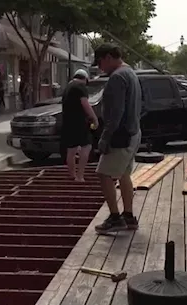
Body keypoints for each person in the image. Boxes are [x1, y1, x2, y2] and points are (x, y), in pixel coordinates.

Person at [91, 43, 142, 234]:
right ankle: (128, 216)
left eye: (100, 62)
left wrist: (105, 138)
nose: (99, 67)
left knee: (103, 174)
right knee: (123, 174)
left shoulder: (117, 77)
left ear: (109, 58)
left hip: (120, 136)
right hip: (133, 132)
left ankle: (115, 218)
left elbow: (116, 113)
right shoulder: (131, 73)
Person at [61, 69, 98, 182]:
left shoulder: (68, 88)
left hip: (67, 123)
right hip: (79, 123)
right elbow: (85, 105)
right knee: (87, 147)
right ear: (85, 79)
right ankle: (80, 176)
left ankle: (72, 174)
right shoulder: (80, 87)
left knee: (71, 150)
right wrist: (94, 119)